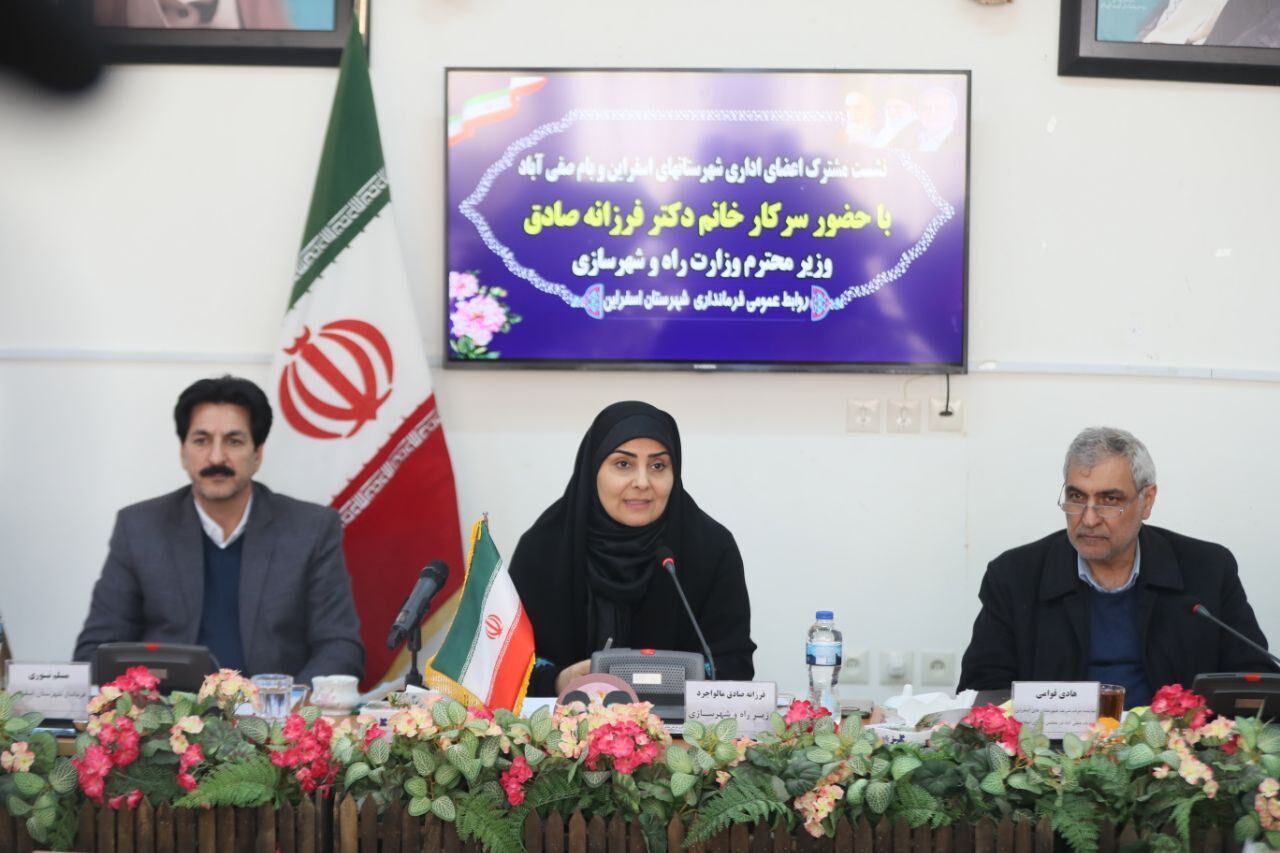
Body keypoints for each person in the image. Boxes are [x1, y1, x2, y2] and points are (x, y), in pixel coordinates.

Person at [74, 375, 364, 684]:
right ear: (183, 452)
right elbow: (95, 652)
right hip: (167, 711)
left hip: (274, 712)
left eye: (233, 441)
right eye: (201, 441)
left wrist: (288, 704)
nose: (216, 457)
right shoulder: (140, 528)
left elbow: (340, 647)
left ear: (257, 454)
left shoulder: (311, 529)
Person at [958, 426, 1272, 708]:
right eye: (1076, 496)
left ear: (1147, 501)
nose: (1089, 518)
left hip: (1173, 750)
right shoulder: (1015, 576)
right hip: (1054, 751)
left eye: (1109, 500)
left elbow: (1256, 685)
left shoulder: (1207, 570)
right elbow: (982, 692)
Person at [509, 401, 756, 696]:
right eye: (623, 464)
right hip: (564, 721)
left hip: (682, 723)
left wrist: (680, 679)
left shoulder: (711, 549)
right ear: (593, 469)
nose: (642, 482)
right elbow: (507, 667)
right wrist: (560, 680)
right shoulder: (543, 549)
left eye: (658, 466)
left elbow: (734, 665)